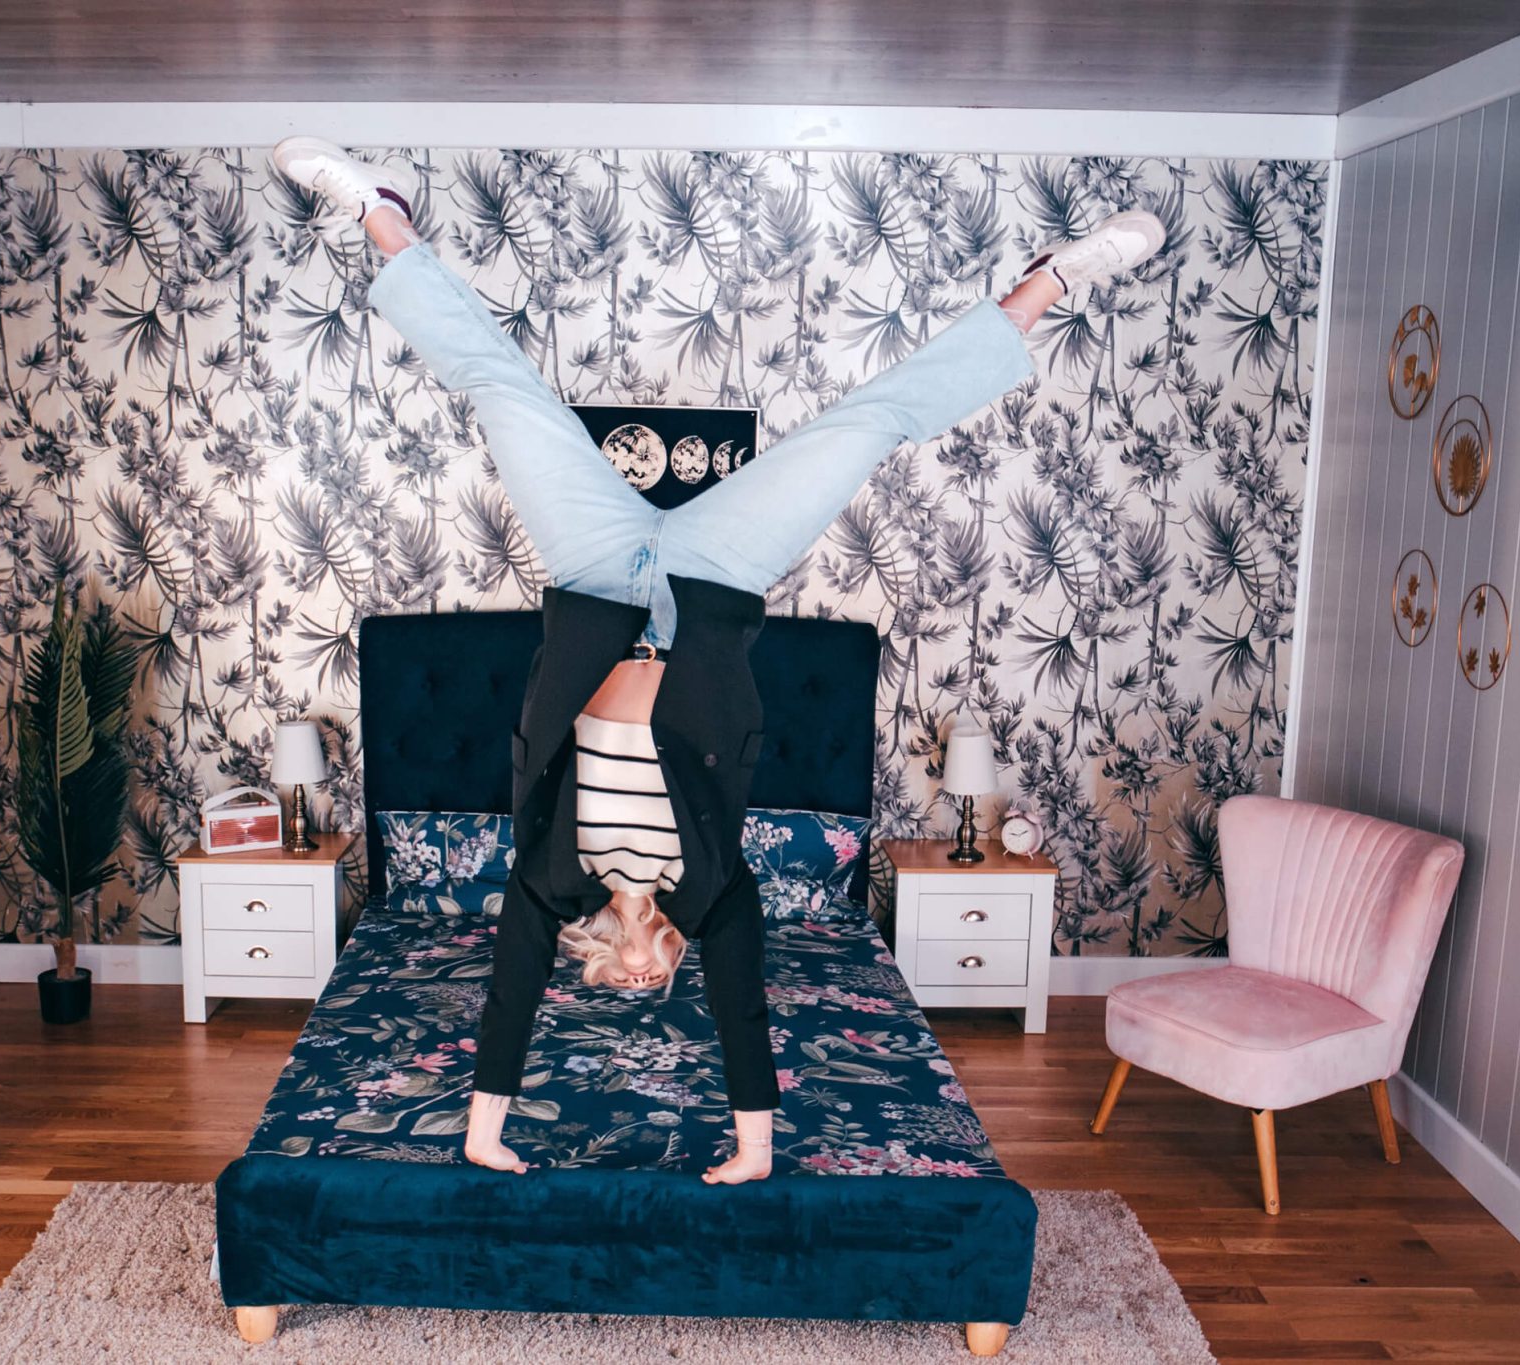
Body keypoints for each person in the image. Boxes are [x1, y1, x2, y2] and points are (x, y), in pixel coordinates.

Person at [275, 137, 1164, 1185]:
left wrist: (482, 1130)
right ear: (670, 964)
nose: (637, 979)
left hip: (596, 572)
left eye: (618, 983)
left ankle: (377, 215)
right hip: (711, 577)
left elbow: (509, 997)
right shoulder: (715, 892)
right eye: (654, 983)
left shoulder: (547, 884)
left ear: (595, 963)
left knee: (501, 391)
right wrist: (751, 1150)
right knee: (866, 427)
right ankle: (1048, 285)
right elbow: (741, 1009)